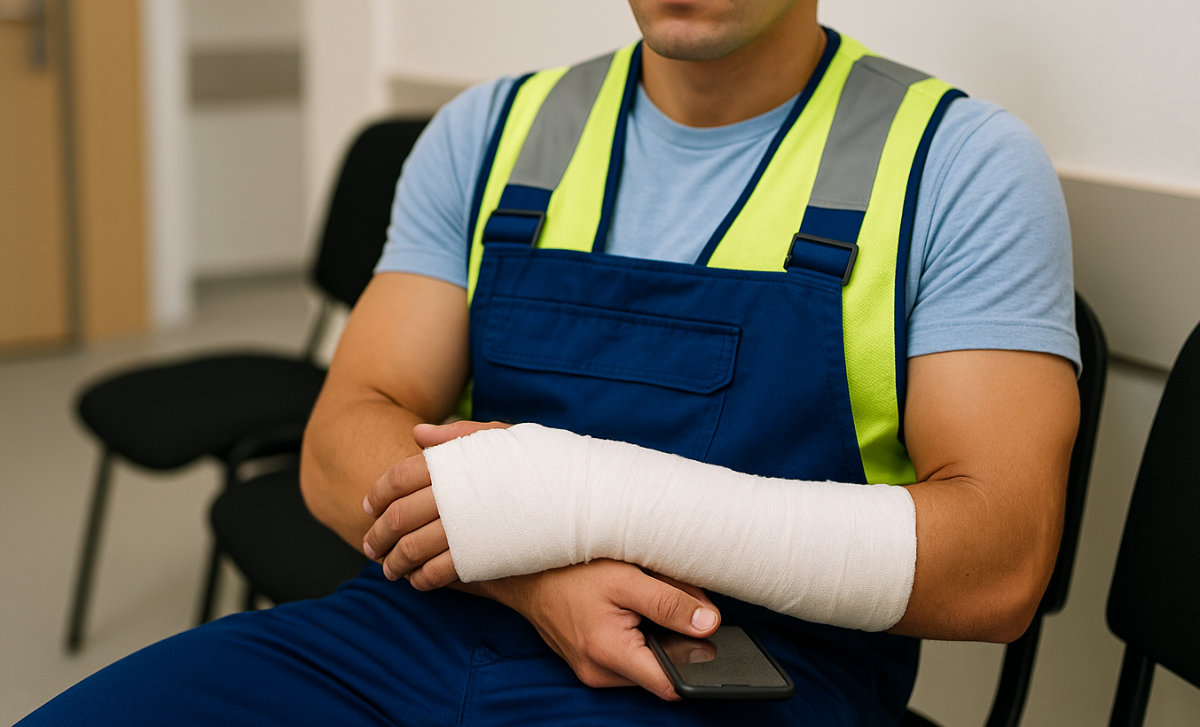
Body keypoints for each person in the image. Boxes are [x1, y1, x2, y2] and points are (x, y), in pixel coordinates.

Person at [21, 1, 1080, 724]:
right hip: (432, 617)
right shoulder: (491, 132)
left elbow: (999, 564)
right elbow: (342, 443)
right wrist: (538, 569)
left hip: (748, 682)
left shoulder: (962, 167)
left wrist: (578, 497)